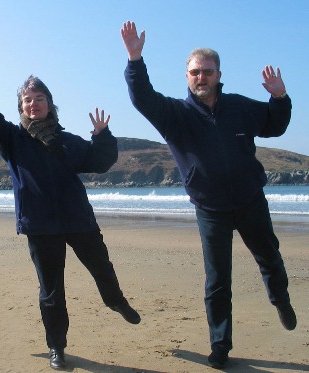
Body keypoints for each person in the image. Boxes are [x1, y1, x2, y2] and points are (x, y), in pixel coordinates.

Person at [0, 45, 140, 370]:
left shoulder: (68, 140)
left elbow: (101, 162)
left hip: (79, 220)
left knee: (102, 268)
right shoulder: (11, 139)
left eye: (40, 98)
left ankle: (115, 301)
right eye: (27, 100)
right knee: (51, 290)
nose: (34, 104)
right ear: (22, 107)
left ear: (50, 104)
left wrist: (103, 136)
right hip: (41, 226)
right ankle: (57, 348)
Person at [121, 21, 296, 369]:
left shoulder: (240, 106)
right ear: (187, 76)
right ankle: (220, 346)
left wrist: (279, 97)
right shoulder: (174, 115)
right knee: (218, 281)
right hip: (210, 209)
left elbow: (275, 125)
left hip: (249, 200)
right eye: (195, 72)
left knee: (270, 259)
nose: (201, 77)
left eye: (207, 72)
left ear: (218, 74)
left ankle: (280, 298)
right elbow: (142, 98)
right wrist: (135, 59)